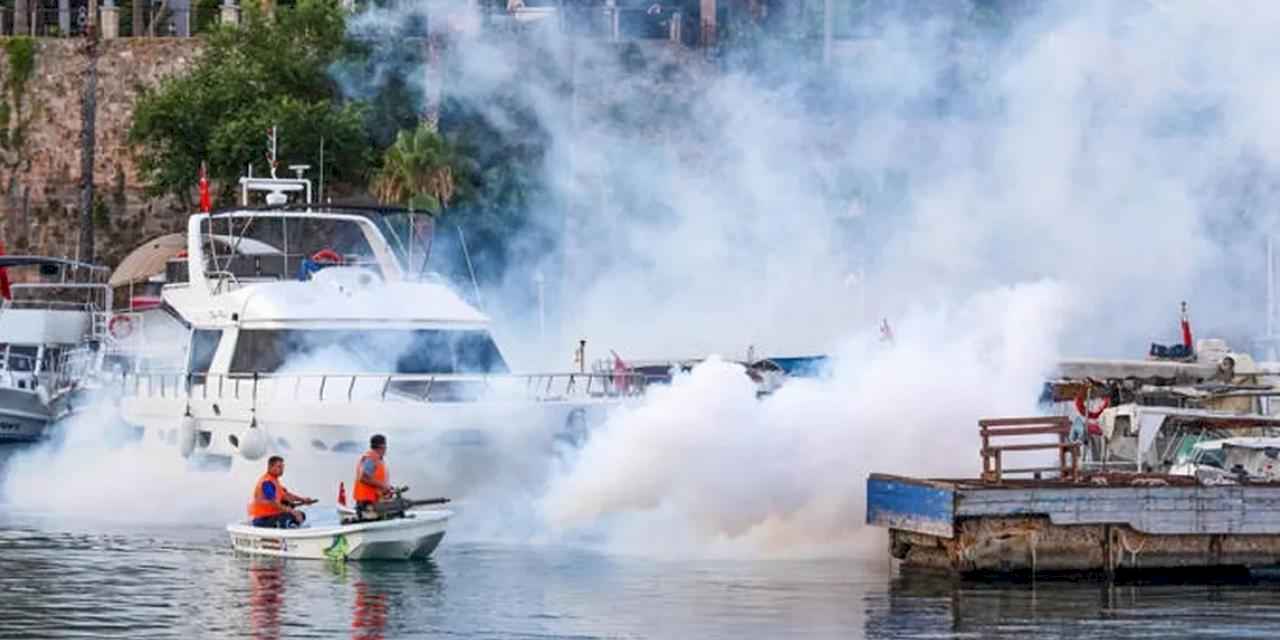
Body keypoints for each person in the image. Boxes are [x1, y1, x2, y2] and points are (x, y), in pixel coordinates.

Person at [248, 456, 316, 528]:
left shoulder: (274, 480)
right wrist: (292, 511)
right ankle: (288, 526)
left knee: (302, 514)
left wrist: (303, 500)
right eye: (279, 467)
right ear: (270, 467)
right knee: (289, 517)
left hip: (272, 515)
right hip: (263, 519)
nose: (282, 470)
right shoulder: (267, 482)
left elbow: (287, 495)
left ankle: (290, 524)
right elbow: (273, 503)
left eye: (282, 467)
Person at [353, 434, 394, 516]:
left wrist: (387, 488)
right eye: (385, 446)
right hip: (367, 503)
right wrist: (383, 486)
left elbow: (374, 478)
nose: (386, 449)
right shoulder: (371, 458)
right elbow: (364, 477)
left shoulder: (374, 458)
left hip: (371, 501)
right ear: (382, 446)